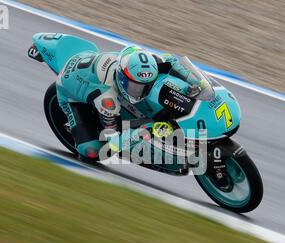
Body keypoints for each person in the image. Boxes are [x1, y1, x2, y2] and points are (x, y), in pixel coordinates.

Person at [55, 45, 206, 160]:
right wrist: (149, 130)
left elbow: (172, 62)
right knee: (93, 152)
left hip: (93, 66)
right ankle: (78, 125)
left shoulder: (150, 61)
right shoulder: (106, 99)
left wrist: (198, 82)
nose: (139, 92)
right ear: (121, 78)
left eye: (145, 86)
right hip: (70, 93)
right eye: (134, 87)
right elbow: (114, 143)